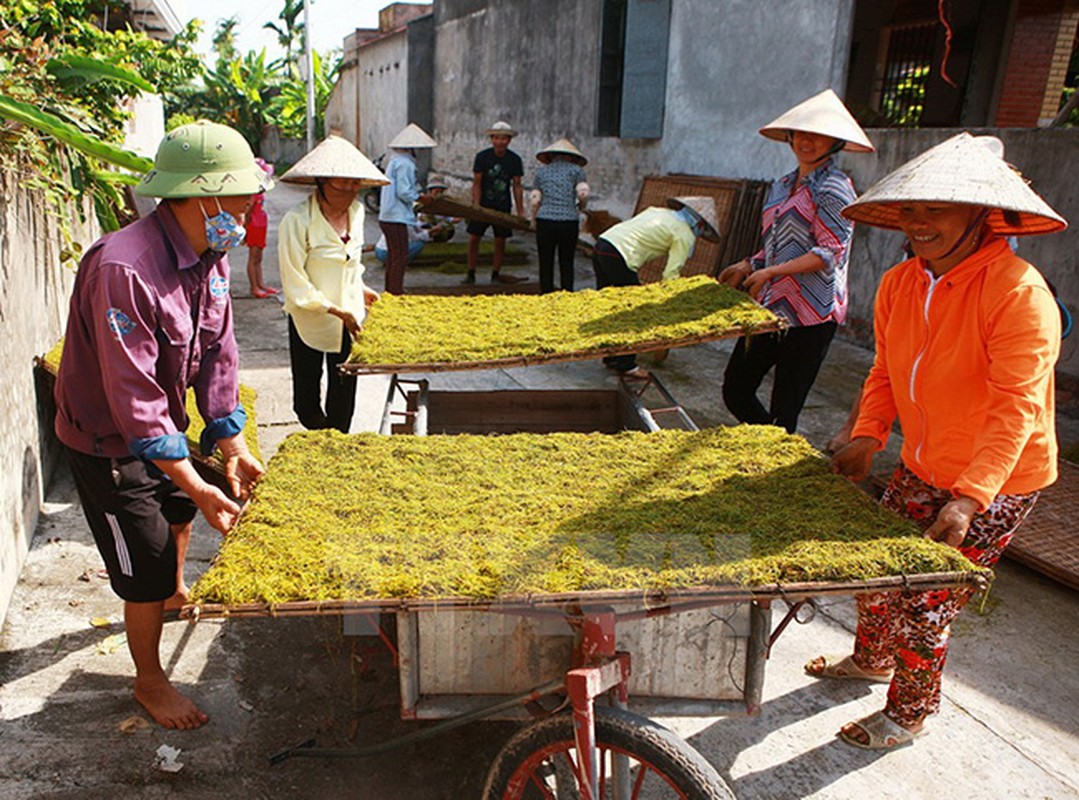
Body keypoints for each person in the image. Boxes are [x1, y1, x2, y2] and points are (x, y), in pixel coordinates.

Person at [818, 132, 1066, 750]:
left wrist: (970, 497)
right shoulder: (902, 283)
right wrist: (867, 435)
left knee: (929, 602)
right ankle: (871, 661)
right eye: (912, 208)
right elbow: (885, 370)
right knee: (881, 573)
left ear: (981, 213)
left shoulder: (1019, 294)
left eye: (938, 208)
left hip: (999, 480)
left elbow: (1017, 406)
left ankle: (908, 713)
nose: (919, 223)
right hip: (923, 461)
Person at [53, 120, 271, 729]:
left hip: (162, 425)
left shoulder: (213, 255)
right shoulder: (125, 269)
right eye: (242, 199)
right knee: (143, 564)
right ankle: (149, 680)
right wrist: (203, 487)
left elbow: (219, 354)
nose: (250, 210)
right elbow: (134, 402)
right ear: (202, 197)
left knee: (178, 514)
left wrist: (230, 441)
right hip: (109, 441)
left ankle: (175, 589)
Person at [718, 89, 874, 434]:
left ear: (834, 142)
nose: (807, 140)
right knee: (735, 389)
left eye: (818, 135)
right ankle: (772, 443)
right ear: (789, 136)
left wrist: (772, 271)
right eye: (801, 132)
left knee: (785, 408)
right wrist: (751, 264)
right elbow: (777, 245)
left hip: (812, 313)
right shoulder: (782, 184)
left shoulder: (835, 189)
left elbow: (829, 252)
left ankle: (774, 455)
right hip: (772, 306)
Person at [279, 135, 388, 433]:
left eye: (356, 184)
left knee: (343, 394)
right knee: (306, 402)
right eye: (344, 183)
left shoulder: (357, 212)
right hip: (310, 318)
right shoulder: (297, 220)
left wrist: (360, 287)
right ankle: (318, 435)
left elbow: (350, 264)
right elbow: (294, 281)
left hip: (350, 318)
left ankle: (337, 441)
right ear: (323, 182)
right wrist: (335, 310)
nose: (352, 191)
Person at [591, 196, 721, 375]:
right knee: (635, 311)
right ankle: (626, 364)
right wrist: (670, 301)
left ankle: (610, 356)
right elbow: (671, 274)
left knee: (610, 306)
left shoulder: (657, 211)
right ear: (700, 225)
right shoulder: (685, 234)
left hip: (603, 244)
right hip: (620, 255)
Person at [464, 120, 527, 285]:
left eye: (504, 139)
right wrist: (476, 206)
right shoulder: (482, 157)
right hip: (484, 203)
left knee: (500, 240)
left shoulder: (514, 160)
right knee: (474, 238)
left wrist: (520, 211)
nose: (500, 142)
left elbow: (517, 186)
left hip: (502, 204)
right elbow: (477, 182)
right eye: (497, 138)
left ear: (509, 140)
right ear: (492, 139)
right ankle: (471, 272)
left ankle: (495, 273)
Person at [378, 123, 437, 295]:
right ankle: (395, 291)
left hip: (388, 216)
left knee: (395, 256)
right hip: (395, 216)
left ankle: (391, 289)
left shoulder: (395, 161)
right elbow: (404, 192)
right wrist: (421, 197)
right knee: (400, 256)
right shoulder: (405, 164)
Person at [531, 138, 589, 293]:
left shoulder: (542, 172)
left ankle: (546, 292)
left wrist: (533, 219)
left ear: (551, 156)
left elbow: (535, 199)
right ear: (571, 156)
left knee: (545, 260)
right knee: (567, 260)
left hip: (545, 220)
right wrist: (581, 207)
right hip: (568, 221)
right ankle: (567, 293)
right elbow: (583, 194)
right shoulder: (577, 171)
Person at [373, 174, 455, 265]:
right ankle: (400, 261)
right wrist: (430, 232)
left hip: (384, 247)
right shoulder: (409, 215)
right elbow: (415, 236)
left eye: (440, 191)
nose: (437, 193)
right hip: (387, 251)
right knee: (419, 244)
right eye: (435, 191)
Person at [244, 157, 277, 298]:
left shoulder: (259, 190)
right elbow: (248, 210)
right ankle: (254, 286)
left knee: (258, 257)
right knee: (253, 257)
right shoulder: (252, 192)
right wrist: (245, 227)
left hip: (260, 225)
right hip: (254, 225)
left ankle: (260, 283)